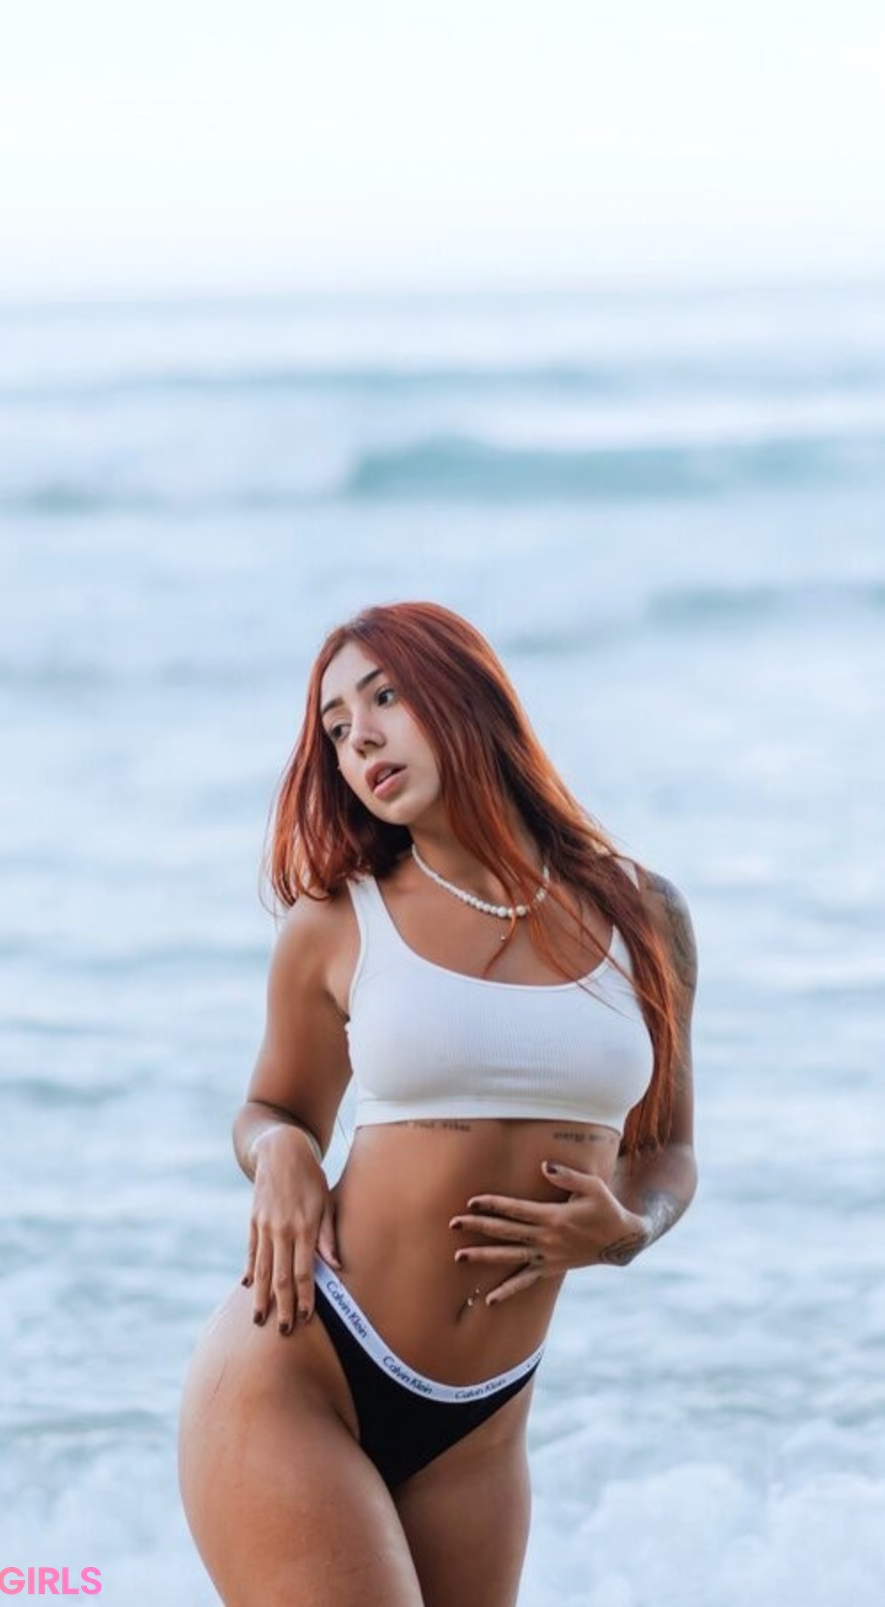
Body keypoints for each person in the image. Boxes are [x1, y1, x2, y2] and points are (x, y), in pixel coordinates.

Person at [178, 600, 698, 1607]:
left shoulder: (644, 913)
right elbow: (271, 1105)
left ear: (467, 693)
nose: (360, 739)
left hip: (484, 1425)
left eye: (384, 697)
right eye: (336, 729)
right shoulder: (337, 921)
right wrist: (280, 1151)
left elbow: (668, 1147)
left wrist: (631, 1229)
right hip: (303, 1364)